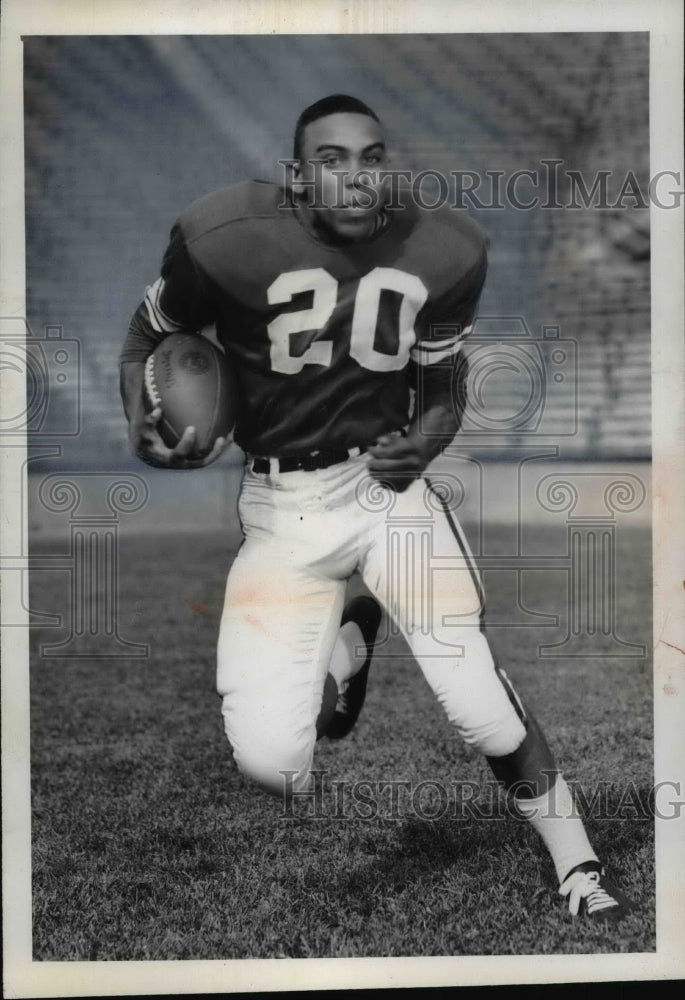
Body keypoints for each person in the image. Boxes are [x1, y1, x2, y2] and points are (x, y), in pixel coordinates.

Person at [120, 94, 633, 923]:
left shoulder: (444, 247)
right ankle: (354, 635)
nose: (355, 178)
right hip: (280, 508)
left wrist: (427, 441)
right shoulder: (223, 240)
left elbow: (440, 389)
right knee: (273, 764)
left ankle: (576, 865)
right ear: (297, 176)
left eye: (370, 157)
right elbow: (146, 339)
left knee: (477, 705)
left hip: (385, 493)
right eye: (331, 159)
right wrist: (140, 424)